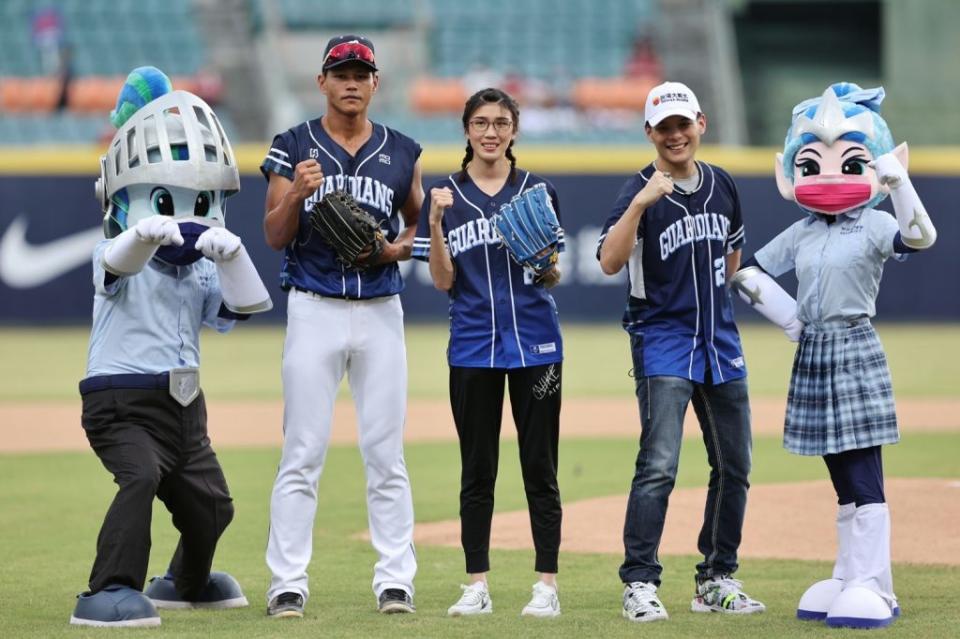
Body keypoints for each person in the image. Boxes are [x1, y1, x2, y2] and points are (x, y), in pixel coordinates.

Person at [732, 82, 937, 629]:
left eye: (849, 163)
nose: (826, 175)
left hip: (854, 344)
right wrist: (791, 319)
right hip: (815, 349)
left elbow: (919, 240)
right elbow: (746, 271)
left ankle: (875, 585)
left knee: (863, 471)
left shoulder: (873, 223)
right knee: (839, 475)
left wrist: (901, 186)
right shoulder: (801, 232)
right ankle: (850, 575)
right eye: (811, 162)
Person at [71, 67, 271, 627]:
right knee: (139, 478)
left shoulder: (201, 271)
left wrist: (232, 256)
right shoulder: (111, 250)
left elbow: (244, 309)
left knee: (213, 505)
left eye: (202, 202)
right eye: (166, 199)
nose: (187, 214)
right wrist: (142, 231)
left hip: (185, 406)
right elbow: (115, 264)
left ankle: (185, 580)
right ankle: (108, 589)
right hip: (120, 401)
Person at [260, 35, 424, 618]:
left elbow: (418, 232)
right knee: (302, 450)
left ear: (376, 82)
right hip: (314, 306)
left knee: (385, 451)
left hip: (382, 310)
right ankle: (287, 581)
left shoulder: (403, 150)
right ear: (322, 82)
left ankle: (395, 580)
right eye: (341, 72)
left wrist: (390, 252)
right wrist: (299, 197)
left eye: (362, 72)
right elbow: (274, 235)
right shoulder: (293, 146)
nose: (351, 82)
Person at [596, 81, 765, 623]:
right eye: (663, 127)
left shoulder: (722, 184)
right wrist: (640, 205)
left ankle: (717, 578)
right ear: (649, 132)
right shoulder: (638, 190)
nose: (675, 135)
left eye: (682, 125)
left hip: (720, 342)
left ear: (700, 124)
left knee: (735, 465)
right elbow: (607, 261)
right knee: (659, 467)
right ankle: (640, 583)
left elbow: (733, 255)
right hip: (663, 342)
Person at [412, 87, 565, 618]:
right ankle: (476, 583)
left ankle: (546, 585)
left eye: (501, 122)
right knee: (477, 469)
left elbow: (552, 274)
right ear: (467, 131)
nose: (491, 132)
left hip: (538, 348)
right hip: (473, 347)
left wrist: (542, 258)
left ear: (514, 130)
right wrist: (433, 225)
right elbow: (440, 281)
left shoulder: (537, 191)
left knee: (539, 466)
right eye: (481, 123)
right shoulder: (447, 197)